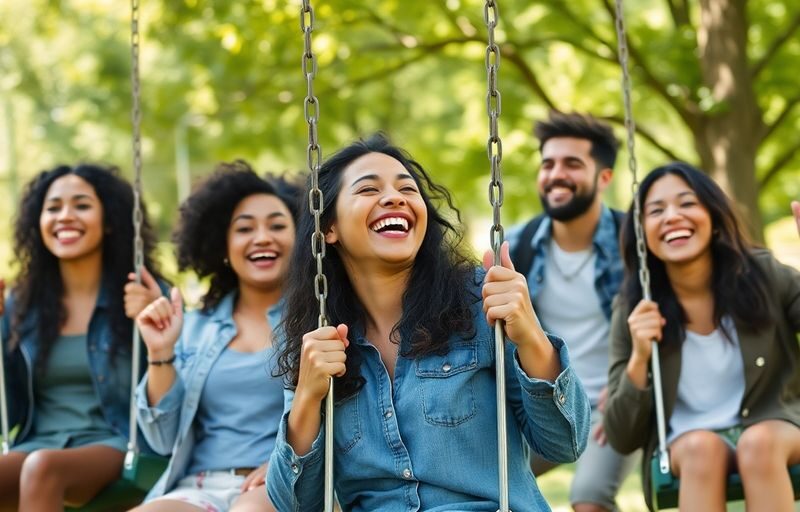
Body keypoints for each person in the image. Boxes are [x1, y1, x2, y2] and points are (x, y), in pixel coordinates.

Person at [266, 133, 591, 511]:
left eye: (407, 188)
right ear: (329, 229)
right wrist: (307, 397)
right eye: (368, 189)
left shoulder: (477, 301)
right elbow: (294, 504)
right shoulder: (318, 337)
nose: (394, 197)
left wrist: (531, 336)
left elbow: (566, 442)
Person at [603, 162, 800, 511]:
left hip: (775, 426)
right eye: (656, 210)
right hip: (686, 445)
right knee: (701, 448)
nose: (672, 216)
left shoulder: (763, 275)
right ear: (641, 230)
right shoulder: (633, 305)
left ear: (713, 215)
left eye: (687, 203)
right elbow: (621, 435)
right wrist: (639, 358)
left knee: (759, 442)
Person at [130, 162, 301, 512]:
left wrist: (288, 464)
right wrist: (160, 352)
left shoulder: (317, 322)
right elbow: (162, 440)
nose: (262, 237)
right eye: (244, 228)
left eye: (277, 225)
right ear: (223, 246)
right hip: (199, 485)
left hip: (280, 483)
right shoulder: (193, 328)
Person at [0, 164, 164, 511]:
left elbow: (172, 397)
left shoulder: (142, 294)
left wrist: (156, 323)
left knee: (41, 468)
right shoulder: (20, 305)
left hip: (113, 442)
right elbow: (9, 410)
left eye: (82, 205)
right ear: (38, 224)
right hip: (36, 441)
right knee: (36, 462)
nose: (65, 216)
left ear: (108, 221)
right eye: (54, 207)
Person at [506, 111, 637, 512]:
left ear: (604, 178)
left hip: (614, 405)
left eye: (572, 164)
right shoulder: (519, 246)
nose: (556, 174)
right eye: (548, 164)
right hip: (550, 402)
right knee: (486, 481)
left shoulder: (634, 245)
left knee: (589, 499)